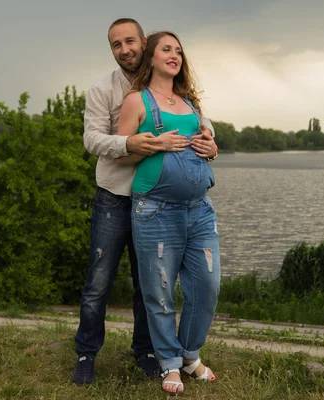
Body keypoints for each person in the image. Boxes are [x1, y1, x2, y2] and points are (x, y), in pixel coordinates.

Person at [73, 18, 218, 385]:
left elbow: (197, 124)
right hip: (116, 198)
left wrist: (211, 143)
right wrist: (132, 144)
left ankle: (146, 352)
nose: (125, 50)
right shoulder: (105, 89)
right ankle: (86, 353)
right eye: (116, 45)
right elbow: (92, 140)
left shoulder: (171, 89)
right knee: (98, 282)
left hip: (157, 202)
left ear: (145, 44)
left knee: (150, 285)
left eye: (130, 41)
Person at [116, 31, 220, 394]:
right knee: (159, 292)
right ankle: (170, 364)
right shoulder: (136, 101)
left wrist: (212, 147)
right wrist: (152, 144)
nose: (174, 55)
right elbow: (120, 151)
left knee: (207, 284)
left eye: (178, 50)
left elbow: (207, 142)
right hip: (155, 211)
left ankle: (190, 354)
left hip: (199, 209)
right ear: (151, 57)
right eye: (166, 49)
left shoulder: (189, 102)